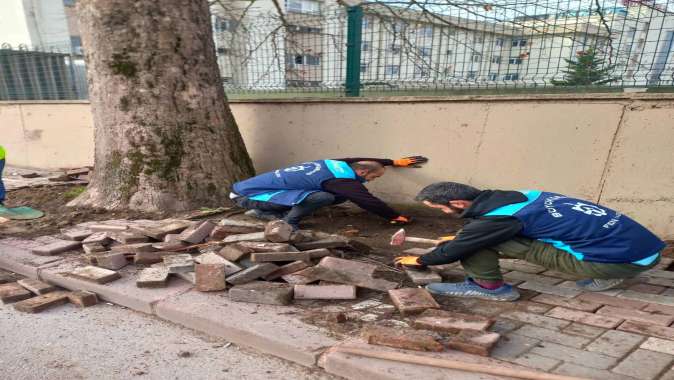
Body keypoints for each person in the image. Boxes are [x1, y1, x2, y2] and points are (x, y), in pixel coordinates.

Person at [395, 182, 666, 301]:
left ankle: (489, 288)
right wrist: (469, 234)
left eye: (440, 208)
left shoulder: (495, 221)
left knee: (479, 244)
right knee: (477, 237)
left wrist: (420, 260)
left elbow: (456, 250)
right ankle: (611, 271)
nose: (443, 213)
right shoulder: (521, 195)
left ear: (457, 203)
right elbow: (506, 226)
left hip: (615, 261)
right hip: (645, 251)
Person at [230, 156, 428, 230]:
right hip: (248, 196)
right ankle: (288, 222)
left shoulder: (337, 164)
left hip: (249, 190)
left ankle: (272, 214)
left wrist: (391, 162)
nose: (371, 181)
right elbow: (367, 201)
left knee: (336, 195)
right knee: (323, 197)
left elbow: (359, 158)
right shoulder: (341, 180)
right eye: (373, 178)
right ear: (363, 172)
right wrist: (395, 216)